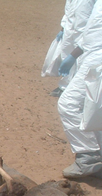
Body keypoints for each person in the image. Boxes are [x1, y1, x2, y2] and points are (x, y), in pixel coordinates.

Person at [57, 0, 102, 179]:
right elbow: (92, 30)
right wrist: (73, 55)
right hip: (90, 55)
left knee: (68, 104)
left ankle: (88, 156)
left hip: (97, 59)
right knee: (92, 109)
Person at [50, 0, 97, 97]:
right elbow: (68, 10)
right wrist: (63, 28)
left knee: (81, 61)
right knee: (65, 55)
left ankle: (79, 92)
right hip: (69, 28)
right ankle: (64, 87)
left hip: (84, 32)